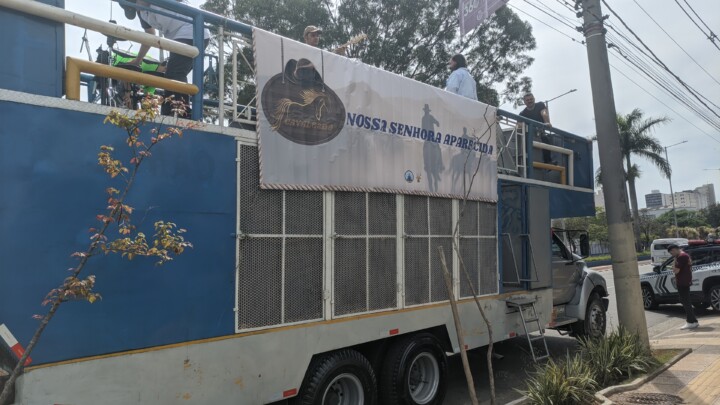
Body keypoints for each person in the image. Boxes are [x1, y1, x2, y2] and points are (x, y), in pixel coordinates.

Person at [121, 0, 211, 116]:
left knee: (175, 74)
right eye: (133, 8)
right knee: (172, 75)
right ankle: (173, 112)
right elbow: (149, 36)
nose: (137, 8)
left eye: (134, 4)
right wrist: (138, 60)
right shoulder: (141, 13)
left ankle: (181, 114)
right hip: (180, 36)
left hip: (192, 30)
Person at [668, 244, 699, 330]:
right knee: (685, 301)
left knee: (686, 302)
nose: (672, 254)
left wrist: (674, 263)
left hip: (683, 282)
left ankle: (690, 322)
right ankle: (693, 321)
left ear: (675, 249)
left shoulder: (681, 257)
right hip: (684, 281)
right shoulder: (684, 255)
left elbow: (676, 271)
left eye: (672, 252)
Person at [519, 92, 553, 164]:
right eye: (527, 100)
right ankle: (526, 162)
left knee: (545, 139)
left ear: (534, 99)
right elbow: (518, 125)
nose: (530, 101)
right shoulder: (522, 113)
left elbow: (544, 113)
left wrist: (547, 122)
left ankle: (548, 162)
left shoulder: (540, 105)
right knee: (524, 143)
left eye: (531, 99)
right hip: (529, 136)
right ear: (524, 102)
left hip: (540, 133)